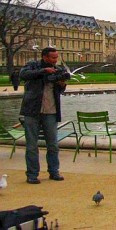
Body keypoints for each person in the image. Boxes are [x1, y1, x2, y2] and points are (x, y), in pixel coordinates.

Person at [19, 47, 70, 184]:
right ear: (45, 57)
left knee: (53, 144)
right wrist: (43, 71)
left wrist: (61, 83)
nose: (55, 60)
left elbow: (60, 90)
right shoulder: (32, 65)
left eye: (56, 57)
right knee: (31, 145)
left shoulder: (58, 69)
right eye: (53, 58)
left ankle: (54, 171)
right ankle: (32, 174)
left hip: (51, 111)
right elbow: (23, 75)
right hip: (32, 110)